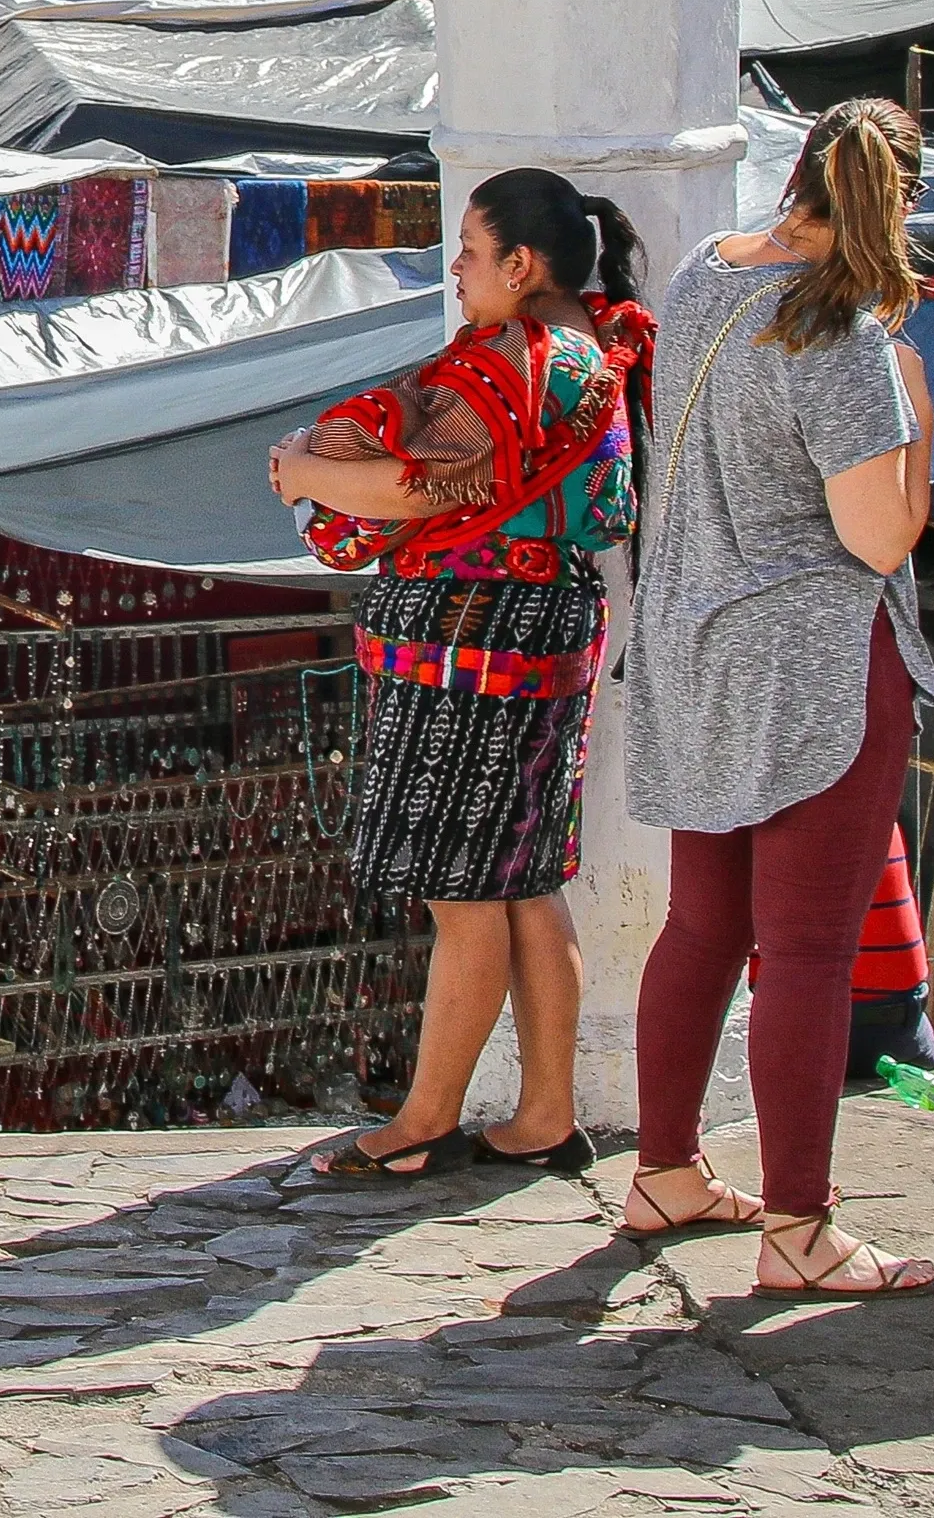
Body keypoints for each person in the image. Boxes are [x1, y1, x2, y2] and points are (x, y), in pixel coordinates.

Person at [267, 170, 653, 1179]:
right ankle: (545, 1115)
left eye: (472, 252)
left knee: (463, 891)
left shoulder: (518, 361)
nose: (457, 269)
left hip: (474, 642)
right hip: (541, 624)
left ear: (520, 265)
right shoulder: (589, 346)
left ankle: (423, 1123)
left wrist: (302, 471)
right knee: (523, 882)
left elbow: (420, 484)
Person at [620, 100, 934, 1296]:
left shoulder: (706, 274)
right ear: (902, 202)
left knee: (703, 924)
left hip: (693, 642)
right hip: (811, 664)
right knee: (807, 951)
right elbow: (879, 535)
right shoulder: (841, 333)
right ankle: (801, 1229)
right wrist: (917, 413)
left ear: (797, 173)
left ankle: (666, 1171)